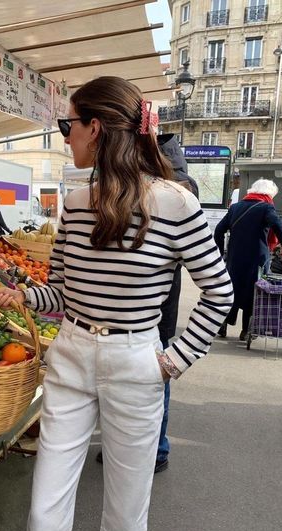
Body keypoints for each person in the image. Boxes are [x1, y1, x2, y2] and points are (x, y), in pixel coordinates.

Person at [0, 76, 234, 531]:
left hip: (135, 360)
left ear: (95, 128)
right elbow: (61, 294)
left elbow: (221, 293)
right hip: (72, 354)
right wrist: (23, 296)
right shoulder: (75, 204)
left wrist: (172, 360)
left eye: (69, 125)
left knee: (126, 514)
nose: (65, 136)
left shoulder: (175, 204)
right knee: (44, 509)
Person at [96, 133, 198, 472]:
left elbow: (218, 289)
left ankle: (157, 449)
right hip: (143, 309)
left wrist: (177, 361)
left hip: (153, 311)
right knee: (134, 385)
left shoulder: (177, 193)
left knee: (157, 376)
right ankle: (129, 446)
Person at [214, 178, 282, 341]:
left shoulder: (235, 207)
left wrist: (221, 251)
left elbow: (219, 230)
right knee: (254, 293)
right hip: (257, 259)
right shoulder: (266, 207)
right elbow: (277, 225)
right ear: (269, 194)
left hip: (235, 258)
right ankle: (246, 330)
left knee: (232, 289)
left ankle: (223, 325)